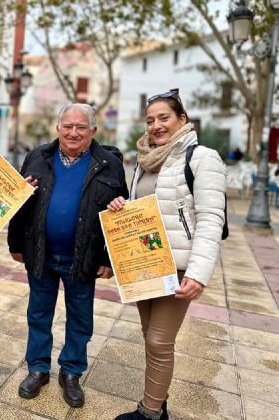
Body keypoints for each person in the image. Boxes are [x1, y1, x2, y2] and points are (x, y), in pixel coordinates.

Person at [107, 89, 227, 420]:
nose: (156, 125)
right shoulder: (146, 161)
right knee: (150, 338)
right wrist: (123, 206)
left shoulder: (203, 158)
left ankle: (149, 413)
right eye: (150, 120)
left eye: (164, 118)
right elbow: (146, 207)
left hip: (179, 266)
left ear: (182, 120)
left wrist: (198, 275)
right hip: (147, 263)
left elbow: (210, 218)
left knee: (160, 341)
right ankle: (158, 402)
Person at [7, 103, 128, 408]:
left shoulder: (109, 163)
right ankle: (37, 369)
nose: (74, 133)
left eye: (81, 127)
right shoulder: (37, 157)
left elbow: (121, 212)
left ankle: (71, 373)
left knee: (80, 318)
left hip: (83, 257)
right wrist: (15, 244)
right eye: (68, 126)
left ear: (93, 132)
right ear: (58, 128)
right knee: (38, 314)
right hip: (41, 253)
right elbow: (18, 204)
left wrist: (108, 258)